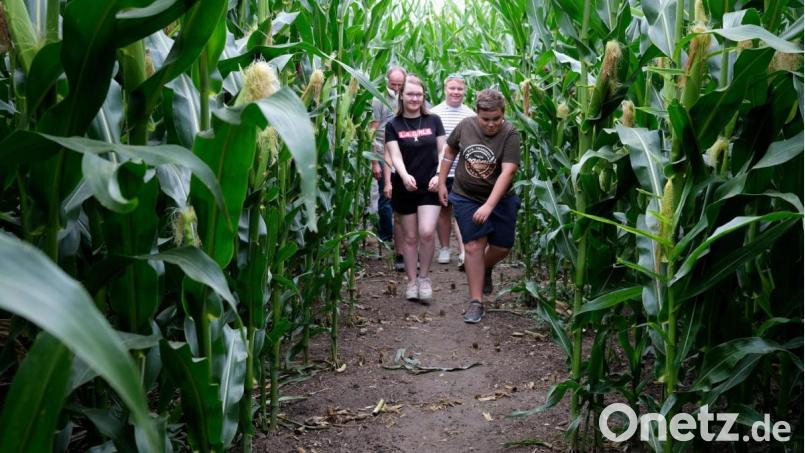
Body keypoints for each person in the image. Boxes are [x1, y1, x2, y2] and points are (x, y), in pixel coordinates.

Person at [437, 89, 521, 323]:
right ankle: (476, 302)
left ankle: (484, 268)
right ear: (477, 114)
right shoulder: (465, 126)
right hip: (466, 196)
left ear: (503, 114)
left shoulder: (510, 133)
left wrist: (489, 205)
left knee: (503, 246)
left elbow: (508, 172)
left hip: (501, 199)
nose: (492, 124)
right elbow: (450, 150)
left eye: (497, 119)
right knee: (473, 246)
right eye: (486, 120)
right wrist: (442, 181)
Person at [385, 75, 446, 302]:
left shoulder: (434, 121)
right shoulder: (393, 125)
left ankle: (424, 277)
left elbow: (443, 152)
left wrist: (439, 174)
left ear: (424, 96)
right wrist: (403, 175)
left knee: (427, 232)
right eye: (410, 94)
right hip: (405, 187)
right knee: (410, 238)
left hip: (430, 185)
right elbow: (395, 155)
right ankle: (411, 282)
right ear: (401, 96)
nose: (415, 98)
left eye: (419, 94)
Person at [430, 73, 475, 270]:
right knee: (444, 210)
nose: (456, 92)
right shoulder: (434, 113)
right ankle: (445, 249)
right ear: (445, 89)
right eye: (452, 88)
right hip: (441, 171)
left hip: (463, 172)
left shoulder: (471, 115)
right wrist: (436, 172)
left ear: (465, 91)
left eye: (459, 89)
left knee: (462, 212)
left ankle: (464, 251)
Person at [371, 66, 406, 271]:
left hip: (403, 153)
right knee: (386, 197)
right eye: (393, 84)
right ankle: (386, 237)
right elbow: (372, 131)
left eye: (399, 84)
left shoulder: (407, 98)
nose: (396, 88)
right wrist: (374, 162)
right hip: (382, 152)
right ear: (387, 81)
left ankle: (400, 238)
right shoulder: (378, 100)